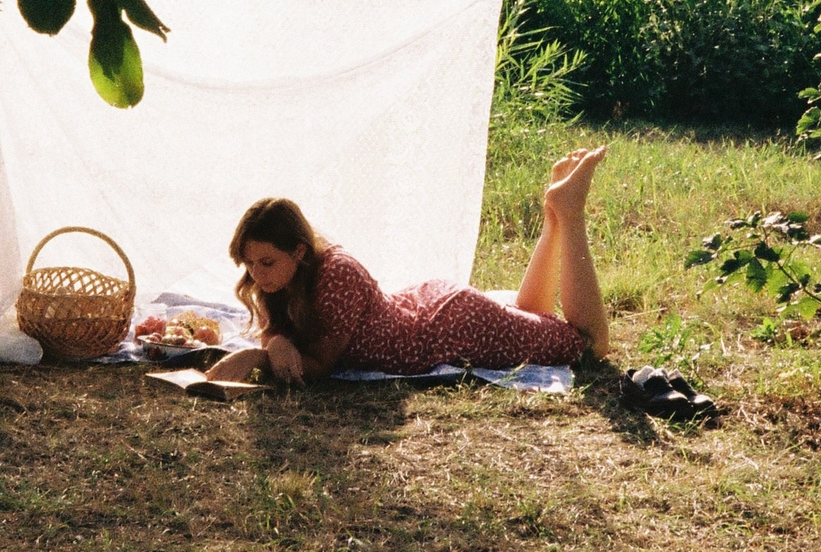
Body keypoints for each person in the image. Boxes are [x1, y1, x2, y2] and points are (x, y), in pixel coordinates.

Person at [206, 147, 612, 386]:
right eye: (249, 264)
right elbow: (280, 334)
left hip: (453, 329)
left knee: (589, 343)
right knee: (531, 314)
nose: (257, 274)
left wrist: (260, 357)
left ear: (298, 251)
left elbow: (315, 369)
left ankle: (570, 213)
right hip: (430, 307)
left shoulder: (337, 274)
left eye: (266, 262)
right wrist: (273, 341)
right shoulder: (280, 279)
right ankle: (554, 214)